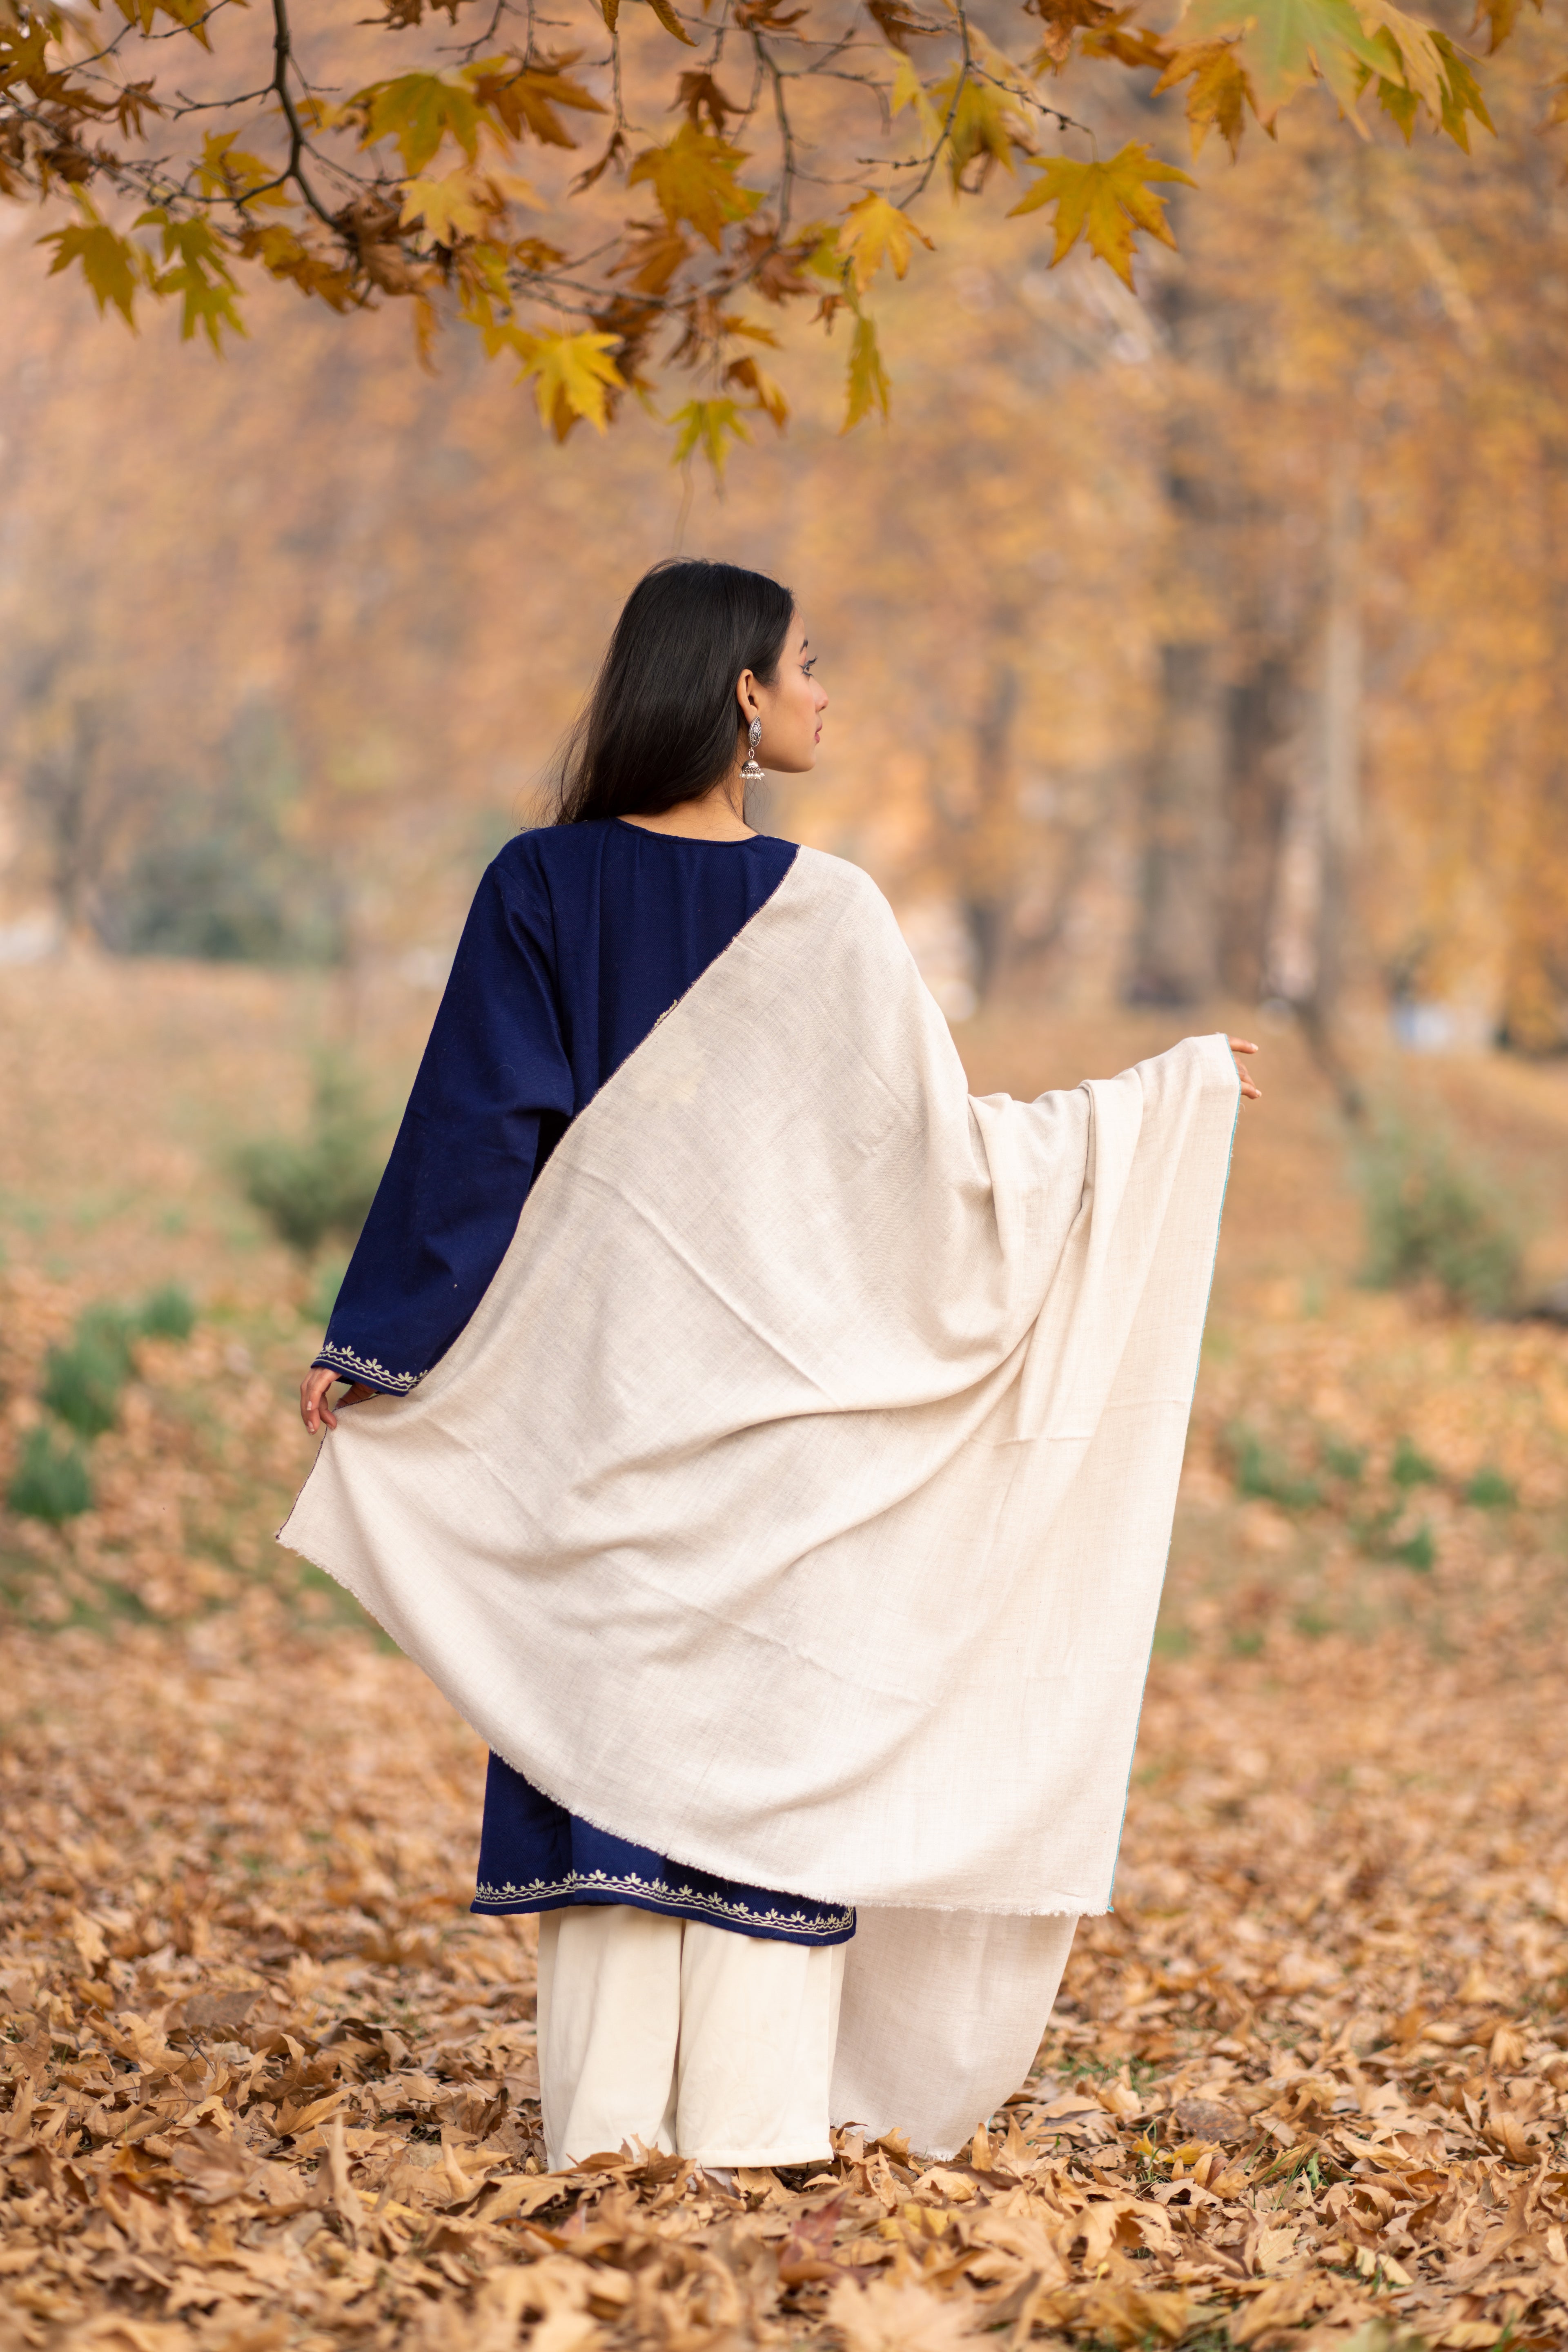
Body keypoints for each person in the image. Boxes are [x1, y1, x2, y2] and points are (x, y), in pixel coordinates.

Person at [287, 558, 1260, 2174]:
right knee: (758, 1761)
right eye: (809, 664)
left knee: (612, 1737)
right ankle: (750, 2132)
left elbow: (476, 1141)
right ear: (741, 691)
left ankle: (610, 2137)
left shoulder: (550, 885)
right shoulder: (830, 911)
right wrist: (1158, 1111)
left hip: (606, 1420)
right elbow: (951, 1179)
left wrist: (384, 1342)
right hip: (788, 1436)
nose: (825, 693)